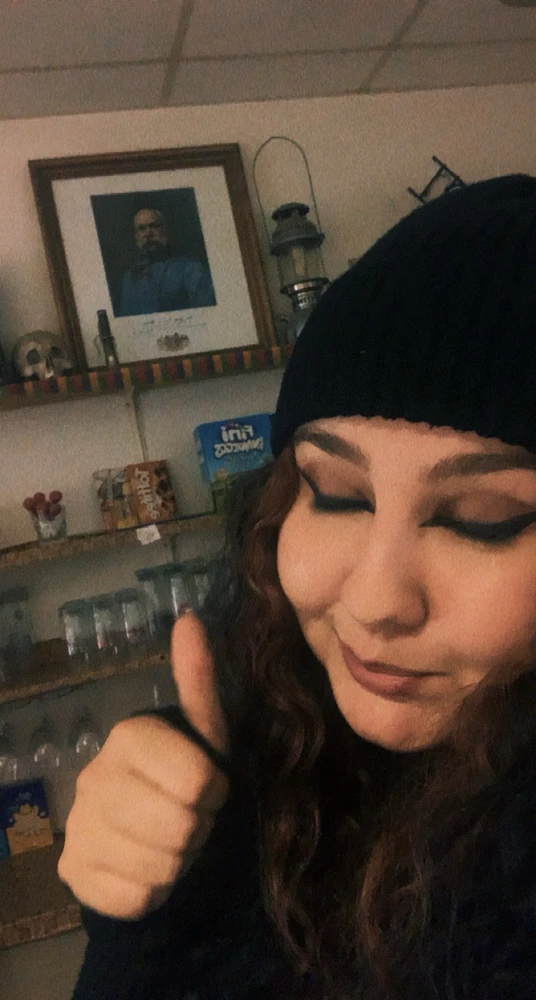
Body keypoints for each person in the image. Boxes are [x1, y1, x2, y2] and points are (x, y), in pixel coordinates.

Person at [60, 175, 536, 1000]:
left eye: (481, 519)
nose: (377, 602)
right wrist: (154, 913)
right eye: (338, 495)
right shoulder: (270, 760)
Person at [117, 208, 216, 316]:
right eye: (142, 229)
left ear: (165, 230)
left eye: (154, 226)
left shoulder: (191, 269)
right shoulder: (129, 278)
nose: (148, 233)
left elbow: (207, 314)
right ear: (136, 236)